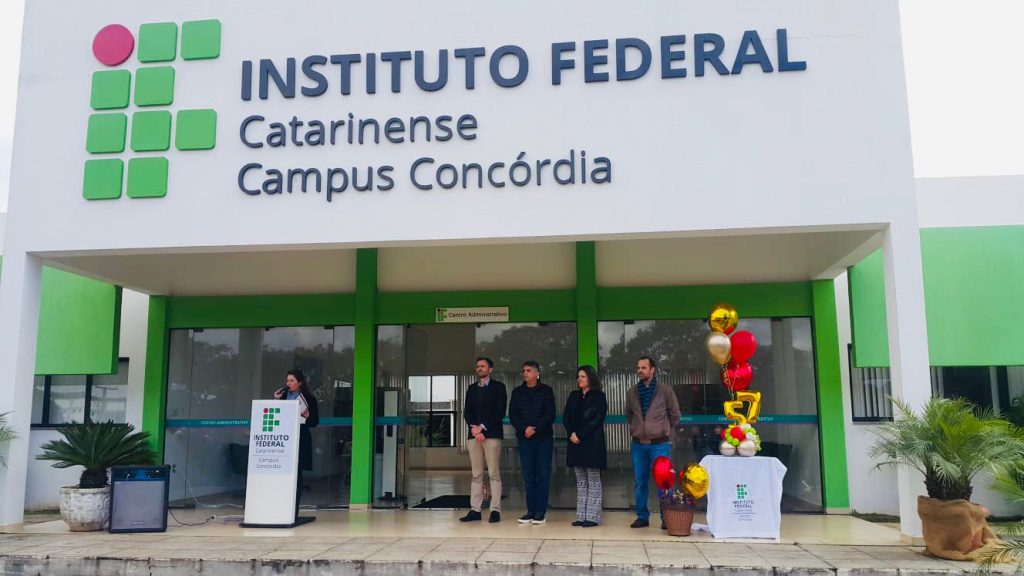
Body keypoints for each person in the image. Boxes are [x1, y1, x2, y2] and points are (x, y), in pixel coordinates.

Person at [626, 355, 680, 529]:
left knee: (664, 482)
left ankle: (666, 518)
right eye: (638, 368)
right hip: (638, 444)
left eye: (643, 368)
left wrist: (662, 429)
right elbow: (629, 414)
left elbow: (675, 414)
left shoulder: (665, 390)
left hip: (659, 444)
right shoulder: (632, 392)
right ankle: (642, 516)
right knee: (640, 482)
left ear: (652, 370)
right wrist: (638, 428)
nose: (640, 371)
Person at [459, 357, 507, 523]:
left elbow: (499, 411)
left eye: (483, 366)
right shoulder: (471, 388)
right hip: (474, 436)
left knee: (494, 473)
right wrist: (474, 428)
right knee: (476, 474)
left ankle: (495, 510)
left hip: (491, 435)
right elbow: (467, 411)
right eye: (478, 366)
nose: (479, 368)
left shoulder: (499, 387)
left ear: (490, 369)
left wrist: (482, 427)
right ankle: (475, 510)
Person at [508, 360, 556, 525]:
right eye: (524, 370)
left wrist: (535, 428)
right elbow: (513, 414)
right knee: (528, 476)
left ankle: (540, 512)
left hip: (543, 439)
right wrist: (524, 429)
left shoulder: (546, 391)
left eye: (528, 370)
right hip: (525, 439)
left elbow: (550, 414)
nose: (525, 373)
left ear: (537, 373)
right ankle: (530, 511)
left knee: (542, 475)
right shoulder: (517, 392)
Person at [563, 365, 608, 527]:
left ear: (590, 378)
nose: (579, 379)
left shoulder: (599, 397)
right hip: (575, 443)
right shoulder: (573, 396)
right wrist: (571, 433)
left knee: (593, 479)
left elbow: (597, 420)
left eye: (582, 376)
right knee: (581, 480)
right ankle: (581, 516)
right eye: (578, 376)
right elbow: (566, 417)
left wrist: (580, 434)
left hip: (592, 443)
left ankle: (592, 517)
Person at [273, 369, 319, 519]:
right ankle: (279, 507)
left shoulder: (309, 399)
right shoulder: (284, 396)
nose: (288, 383)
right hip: (283, 439)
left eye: (292, 381)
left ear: (299, 382)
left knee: (296, 475)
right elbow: (276, 416)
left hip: (300, 439)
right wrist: (276, 400)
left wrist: (306, 417)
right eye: (287, 381)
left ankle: (293, 510)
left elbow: (314, 422)